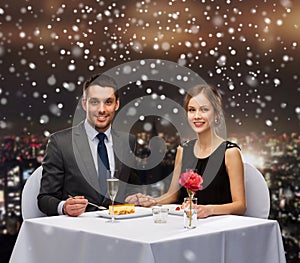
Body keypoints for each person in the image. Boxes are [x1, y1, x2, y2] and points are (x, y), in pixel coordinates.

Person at [126, 84, 246, 218]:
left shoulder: (229, 152)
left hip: (218, 226)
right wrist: (151, 202)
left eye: (204, 109)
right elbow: (172, 195)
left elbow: (240, 205)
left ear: (217, 113)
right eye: (192, 110)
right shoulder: (183, 150)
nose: (197, 116)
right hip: (185, 224)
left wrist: (209, 210)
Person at [38, 73, 140, 217]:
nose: (101, 109)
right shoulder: (60, 142)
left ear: (117, 104)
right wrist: (64, 207)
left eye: (108, 102)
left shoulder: (128, 141)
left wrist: (135, 198)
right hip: (79, 232)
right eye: (94, 102)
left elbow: (129, 188)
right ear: (84, 104)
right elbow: (44, 199)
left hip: (119, 229)